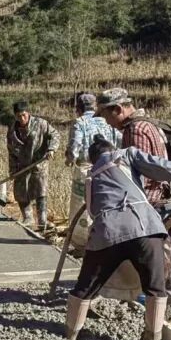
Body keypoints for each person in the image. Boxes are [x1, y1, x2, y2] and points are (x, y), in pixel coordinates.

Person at [65, 138, 171, 340]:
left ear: (93, 159)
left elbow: (93, 212)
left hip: (107, 231)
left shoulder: (91, 177)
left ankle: (71, 334)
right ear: (113, 150)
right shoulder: (125, 155)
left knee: (85, 287)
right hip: (145, 228)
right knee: (155, 287)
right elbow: (159, 166)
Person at [96, 87, 171, 317]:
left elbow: (144, 171)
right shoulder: (147, 125)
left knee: (158, 255)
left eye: (107, 116)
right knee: (155, 253)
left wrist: (133, 205)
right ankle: (134, 297)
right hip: (157, 200)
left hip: (150, 202)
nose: (107, 123)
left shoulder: (135, 131)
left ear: (117, 109)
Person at [64, 92, 117, 248]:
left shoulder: (80, 123)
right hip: (109, 168)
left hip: (87, 169)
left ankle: (82, 243)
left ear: (79, 109)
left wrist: (70, 159)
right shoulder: (106, 121)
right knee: (104, 203)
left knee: (83, 206)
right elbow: (118, 142)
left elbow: (74, 147)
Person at [6, 100, 60, 229]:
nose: (22, 118)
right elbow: (11, 151)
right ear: (15, 116)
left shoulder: (41, 124)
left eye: (24, 115)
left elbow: (55, 135)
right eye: (18, 116)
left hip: (39, 164)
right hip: (21, 166)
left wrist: (51, 149)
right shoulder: (12, 130)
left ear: (28, 113)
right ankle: (28, 218)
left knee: (41, 191)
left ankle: (42, 221)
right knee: (21, 192)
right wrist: (13, 170)